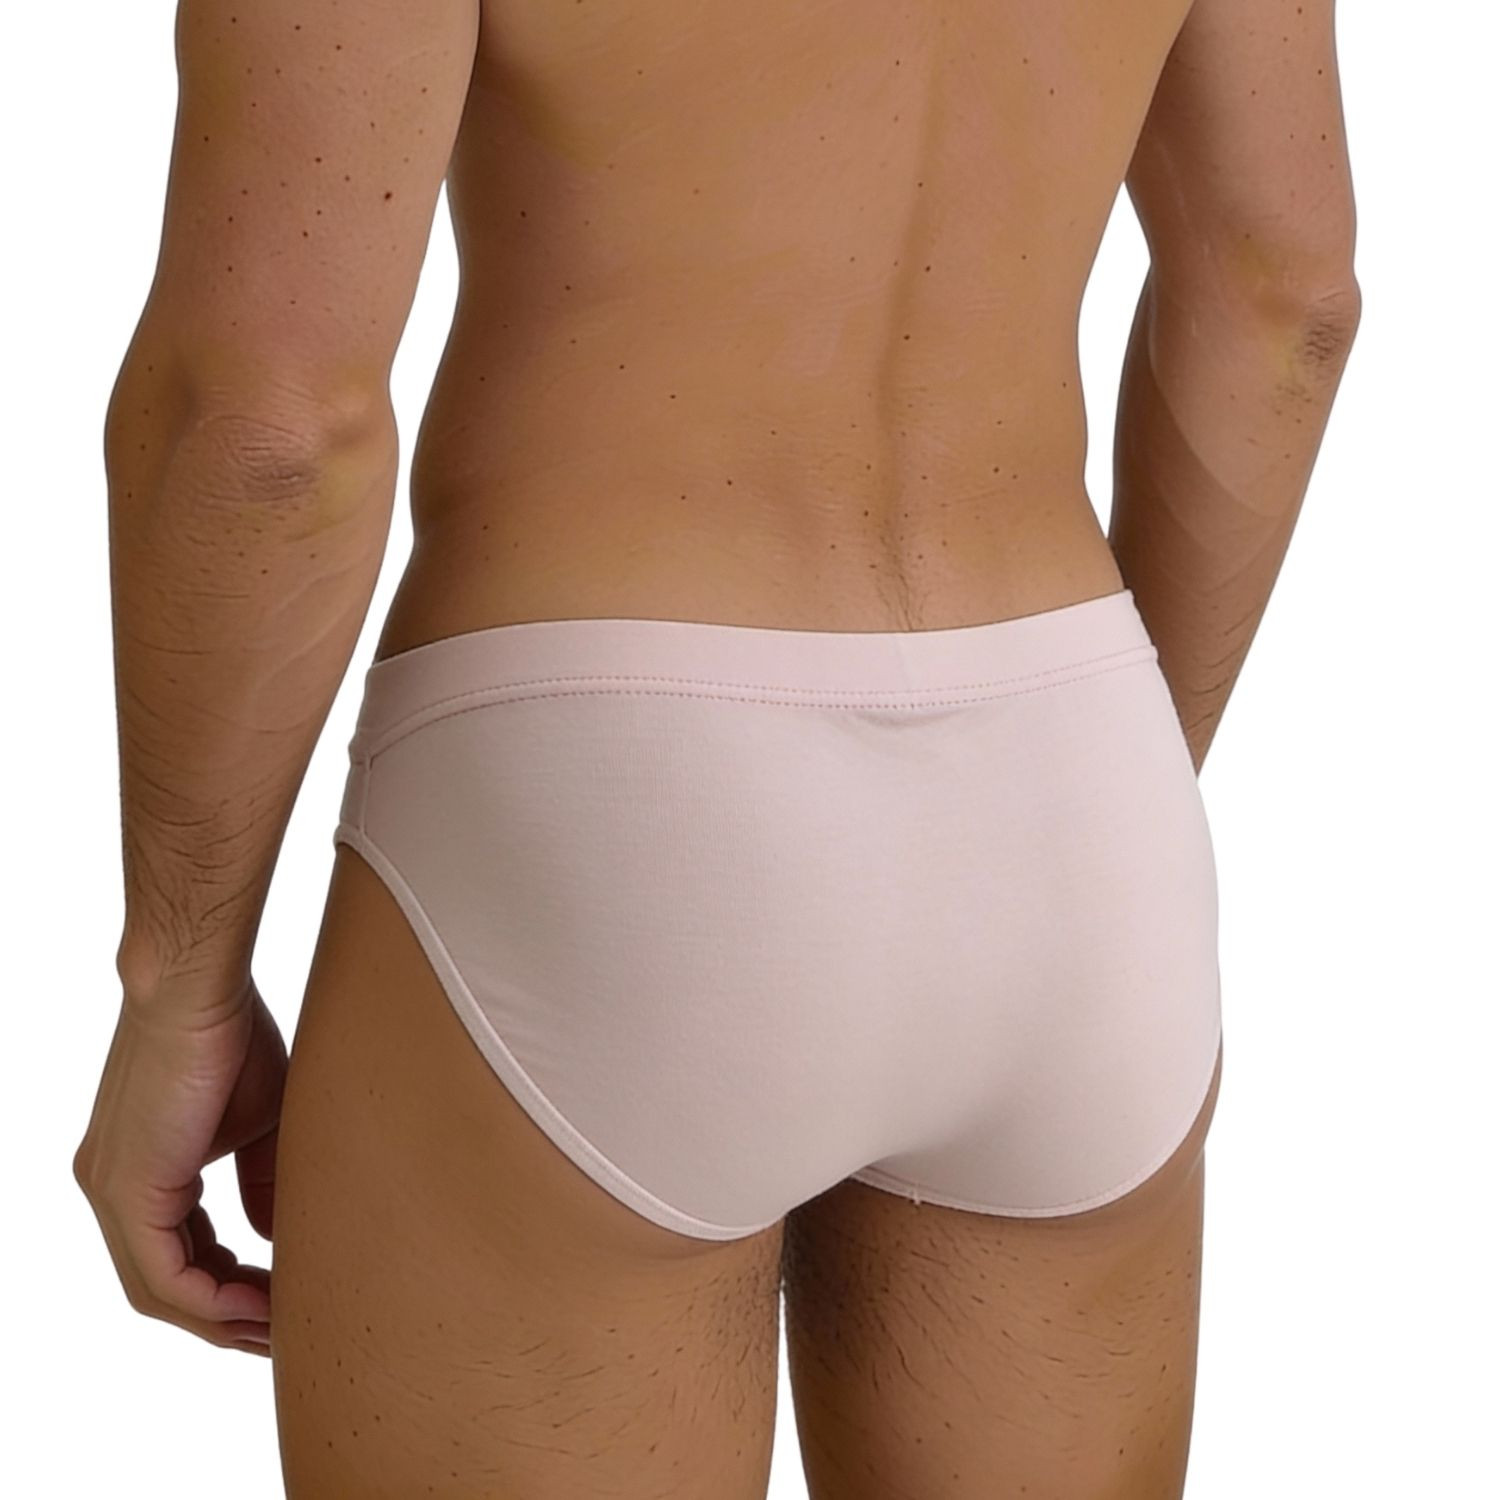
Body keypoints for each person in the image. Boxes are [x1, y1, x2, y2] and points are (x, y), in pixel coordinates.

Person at [72, 0, 1359, 1494]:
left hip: (605, 797)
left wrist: (182, 985)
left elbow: (270, 429)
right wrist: (1086, 823)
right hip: (1069, 771)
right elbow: (1287, 305)